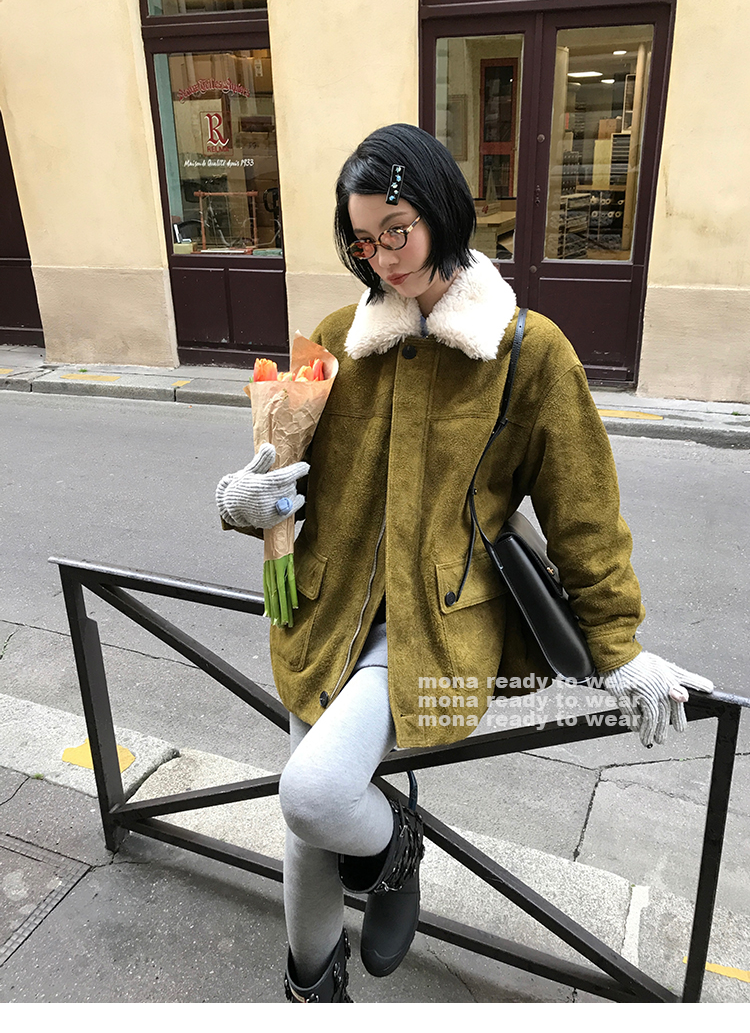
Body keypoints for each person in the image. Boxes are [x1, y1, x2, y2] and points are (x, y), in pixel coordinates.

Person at [215, 123, 714, 1003]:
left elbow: (584, 514)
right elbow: (285, 477)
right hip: (323, 616)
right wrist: (242, 501)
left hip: (432, 627)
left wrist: (618, 648)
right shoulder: (338, 337)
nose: (381, 259)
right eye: (362, 241)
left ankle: (396, 844)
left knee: (315, 796)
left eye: (396, 231)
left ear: (442, 211)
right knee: (308, 833)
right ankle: (312, 995)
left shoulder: (528, 351)